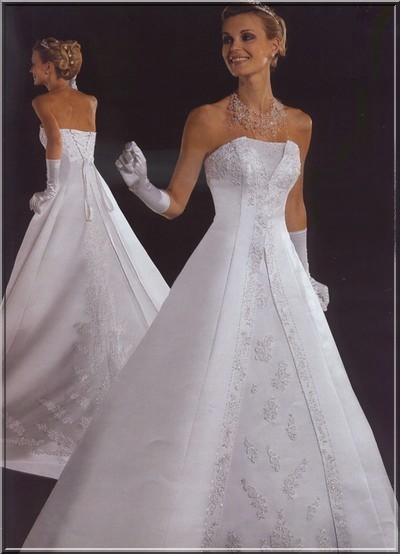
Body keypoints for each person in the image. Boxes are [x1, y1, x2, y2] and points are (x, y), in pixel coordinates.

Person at [23, 5, 396, 549]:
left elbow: (294, 205)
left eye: (247, 37)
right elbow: (175, 204)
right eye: (226, 40)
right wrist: (139, 185)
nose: (234, 48)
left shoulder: (300, 124)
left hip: (284, 275)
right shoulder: (207, 118)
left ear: (275, 45)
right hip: (223, 268)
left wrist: (307, 271)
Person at [3, 37, 169, 480]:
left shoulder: (43, 102)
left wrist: (50, 191)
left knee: (54, 271)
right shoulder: (90, 101)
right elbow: (85, 148)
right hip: (93, 189)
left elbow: (56, 142)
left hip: (68, 190)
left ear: (50, 68)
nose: (31, 71)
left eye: (35, 64)